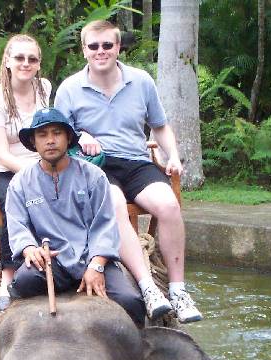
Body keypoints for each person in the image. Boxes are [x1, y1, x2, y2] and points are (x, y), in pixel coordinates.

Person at [54, 20, 202, 323]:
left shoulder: (141, 81)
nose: (101, 51)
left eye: (107, 45)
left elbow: (159, 126)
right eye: (94, 46)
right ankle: (148, 287)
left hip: (136, 161)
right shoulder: (69, 88)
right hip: (94, 166)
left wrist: (173, 156)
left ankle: (178, 290)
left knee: (169, 205)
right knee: (115, 204)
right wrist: (80, 136)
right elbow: (58, 134)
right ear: (84, 50)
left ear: (118, 47)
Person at [5, 107, 146, 328]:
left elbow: (105, 225)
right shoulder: (20, 182)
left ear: (68, 137)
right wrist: (29, 249)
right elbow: (17, 224)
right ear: (33, 141)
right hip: (52, 261)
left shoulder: (94, 176)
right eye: (42, 135)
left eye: (57, 133)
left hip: (90, 256)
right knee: (24, 281)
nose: (50, 140)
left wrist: (97, 265)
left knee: (131, 302)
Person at [0, 34, 52, 312]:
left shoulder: (44, 88)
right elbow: (2, 154)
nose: (26, 63)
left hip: (41, 162)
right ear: (8, 61)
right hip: (5, 170)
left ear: (38, 63)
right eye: (20, 58)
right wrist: (37, 172)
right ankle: (7, 278)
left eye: (32, 59)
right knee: (16, 201)